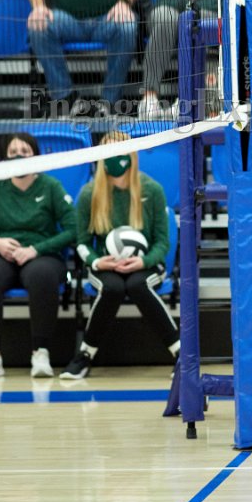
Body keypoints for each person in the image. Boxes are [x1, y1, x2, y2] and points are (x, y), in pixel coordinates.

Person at [60, 131, 179, 380]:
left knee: (138, 285)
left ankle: (181, 355)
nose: (115, 158)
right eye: (109, 152)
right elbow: (82, 243)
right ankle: (84, 355)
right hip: (106, 264)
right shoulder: (89, 193)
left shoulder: (152, 190)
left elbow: (162, 242)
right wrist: (96, 261)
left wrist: (143, 261)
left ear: (132, 155)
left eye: (120, 151)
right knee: (112, 288)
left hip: (146, 263)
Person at [0, 133, 76, 378]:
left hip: (41, 253)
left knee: (42, 274)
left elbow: (74, 229)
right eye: (13, 152)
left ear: (36, 156)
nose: (18, 156)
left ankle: (40, 352)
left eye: (24, 151)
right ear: (5, 157)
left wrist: (37, 249)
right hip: (4, 254)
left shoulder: (51, 186)